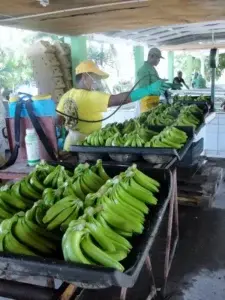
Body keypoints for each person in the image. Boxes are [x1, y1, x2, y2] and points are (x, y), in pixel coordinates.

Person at [57, 60, 170, 151]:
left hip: (69, 144)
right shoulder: (90, 97)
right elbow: (120, 99)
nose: (96, 81)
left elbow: (59, 120)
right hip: (85, 147)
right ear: (85, 77)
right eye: (94, 78)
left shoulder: (66, 95)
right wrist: (148, 89)